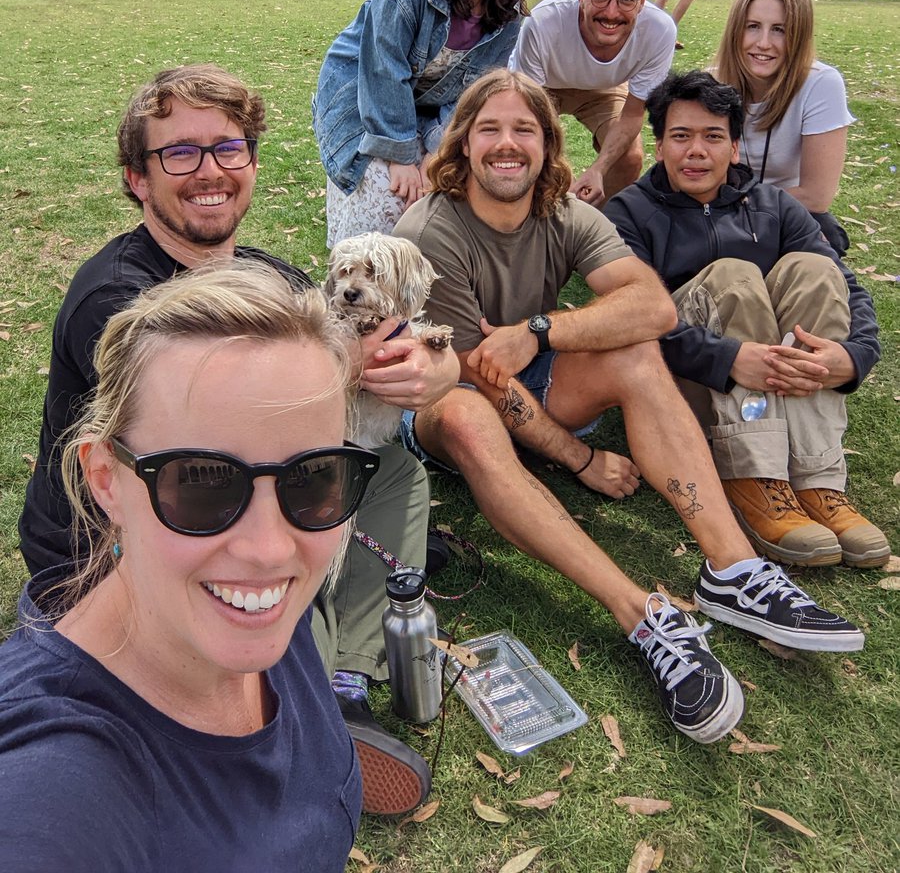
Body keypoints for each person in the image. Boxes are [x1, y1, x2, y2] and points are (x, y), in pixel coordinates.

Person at [18, 64, 460, 815]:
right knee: (270, 518)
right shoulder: (120, 295)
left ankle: (342, 677)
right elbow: (238, 414)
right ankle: (302, 699)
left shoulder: (259, 273)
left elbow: (377, 339)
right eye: (179, 154)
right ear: (136, 179)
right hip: (121, 545)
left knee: (388, 473)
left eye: (229, 148)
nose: (210, 171)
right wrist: (366, 359)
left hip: (234, 488)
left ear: (252, 163)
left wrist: (433, 366)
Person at [393, 69, 863, 747]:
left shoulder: (562, 211)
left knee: (639, 351)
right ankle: (643, 616)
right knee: (469, 418)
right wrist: (581, 457)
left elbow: (652, 306)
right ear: (462, 143)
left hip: (528, 362)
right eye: (488, 129)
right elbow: (480, 377)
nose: (506, 144)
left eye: (524, 129)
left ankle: (732, 570)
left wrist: (542, 331)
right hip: (444, 394)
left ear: (547, 144)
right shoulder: (431, 228)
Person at [0, 263, 373, 868]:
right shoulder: (53, 787)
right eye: (202, 483)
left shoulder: (270, 617)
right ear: (106, 480)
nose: (270, 548)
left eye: (312, 479)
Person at [605, 72, 888, 569]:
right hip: (692, 385)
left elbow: (849, 287)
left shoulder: (773, 205)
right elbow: (626, 322)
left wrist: (854, 356)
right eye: (681, 136)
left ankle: (816, 478)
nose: (697, 151)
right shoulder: (627, 214)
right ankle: (754, 477)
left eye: (713, 137)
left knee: (816, 269)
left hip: (774, 378)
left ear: (735, 148)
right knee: (733, 275)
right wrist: (729, 357)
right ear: (658, 146)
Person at [314, 0, 534, 245]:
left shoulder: (509, 11)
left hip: (425, 108)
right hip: (359, 96)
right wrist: (399, 155)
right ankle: (356, 288)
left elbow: (474, 94)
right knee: (388, 193)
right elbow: (383, 71)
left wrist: (435, 152)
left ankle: (425, 288)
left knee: (450, 185)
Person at [509, 0, 675, 206]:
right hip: (539, 88)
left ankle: (597, 227)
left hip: (605, 88)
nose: (611, 12)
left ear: (642, 0)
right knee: (524, 152)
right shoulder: (543, 21)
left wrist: (599, 169)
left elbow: (633, 113)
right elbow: (526, 111)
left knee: (629, 157)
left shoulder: (660, 30)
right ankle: (530, 219)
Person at [713, 0, 855, 252]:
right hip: (718, 212)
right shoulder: (710, 85)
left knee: (823, 243)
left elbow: (816, 196)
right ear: (735, 31)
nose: (764, 43)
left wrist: (740, 204)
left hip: (789, 210)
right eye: (752, 26)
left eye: (779, 29)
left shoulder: (821, 84)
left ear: (798, 35)